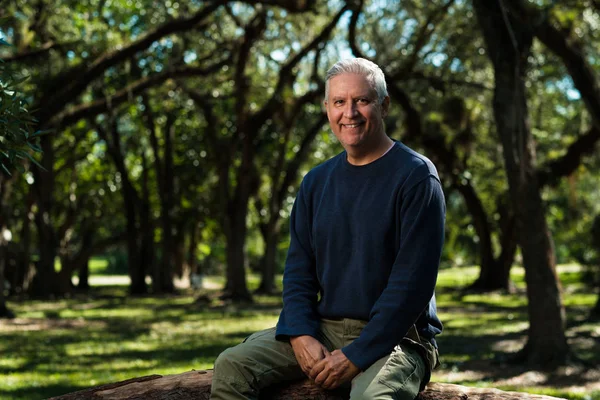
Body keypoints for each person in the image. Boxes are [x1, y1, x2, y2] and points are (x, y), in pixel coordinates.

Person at [210, 58, 445, 400]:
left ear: (385, 105)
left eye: (362, 100)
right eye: (339, 102)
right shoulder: (315, 182)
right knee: (232, 366)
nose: (349, 112)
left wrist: (355, 356)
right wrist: (301, 334)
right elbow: (298, 272)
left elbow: (410, 289)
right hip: (325, 329)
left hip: (400, 336)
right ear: (327, 109)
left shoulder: (416, 177)